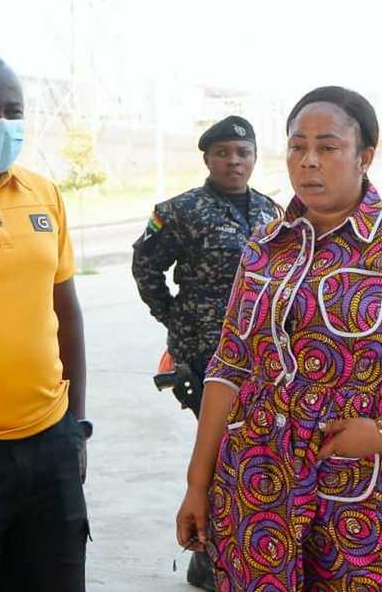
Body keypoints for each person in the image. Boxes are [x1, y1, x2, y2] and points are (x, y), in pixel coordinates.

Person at [176, 86, 382, 590]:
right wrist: (199, 481)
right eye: (297, 147)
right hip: (261, 480)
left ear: (364, 156)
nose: (308, 162)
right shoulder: (263, 248)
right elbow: (231, 363)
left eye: (327, 147)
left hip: (378, 481)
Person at [131, 116, 279, 590]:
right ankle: (210, 558)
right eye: (223, 153)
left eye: (242, 152)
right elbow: (146, 266)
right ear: (207, 159)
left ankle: (233, 551)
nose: (233, 162)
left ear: (254, 157)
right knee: (215, 450)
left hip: (262, 355)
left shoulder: (273, 212)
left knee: (252, 451)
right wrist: (174, 318)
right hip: (205, 355)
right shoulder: (180, 211)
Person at [0, 51, 90, 592]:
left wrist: (77, 428)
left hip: (49, 445)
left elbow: (66, 311)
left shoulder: (45, 193)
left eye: (12, 109)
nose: (2, 123)